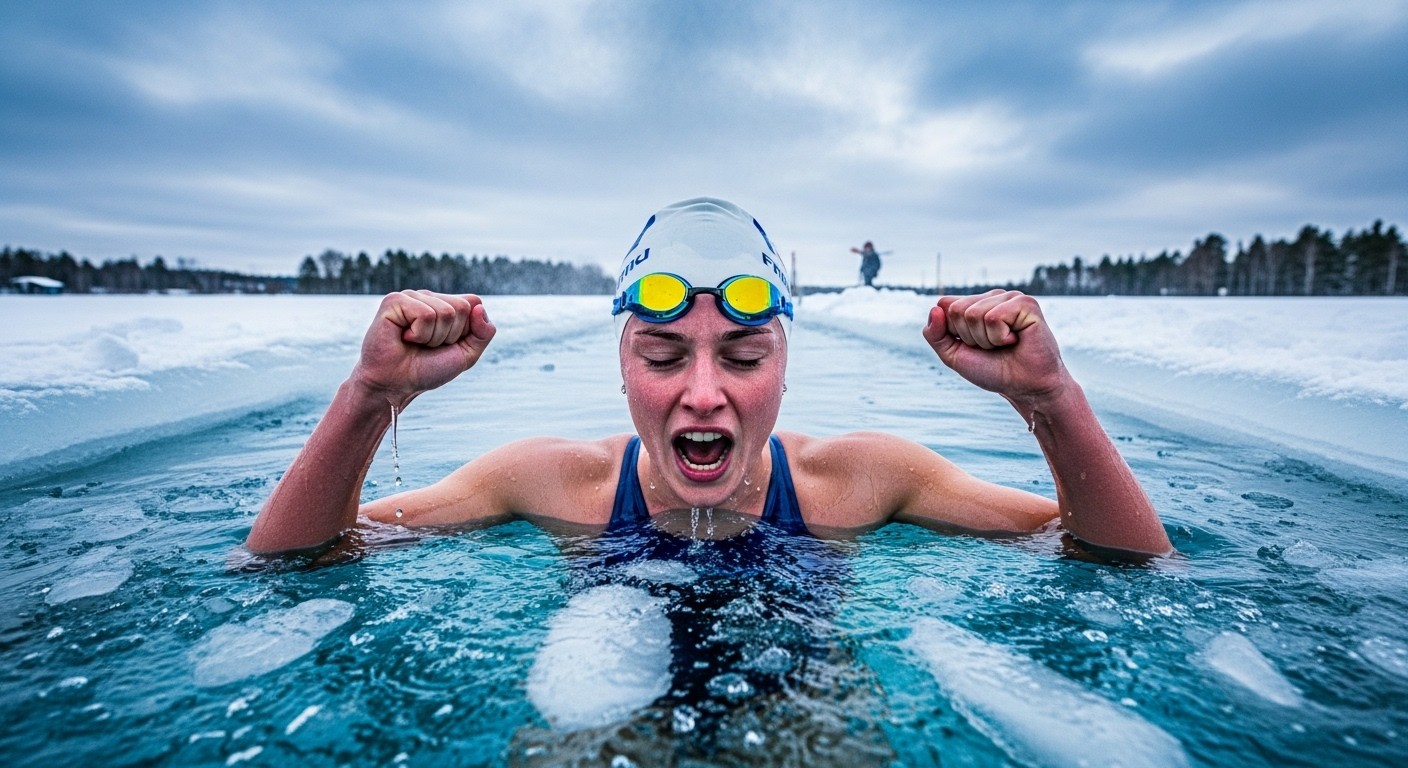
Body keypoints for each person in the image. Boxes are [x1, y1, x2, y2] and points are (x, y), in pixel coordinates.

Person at [247, 197, 1171, 558]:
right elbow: (291, 559)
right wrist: (370, 398)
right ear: (622, 367)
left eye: (742, 355)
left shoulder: (860, 480)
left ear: (784, 367)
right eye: (662, 356)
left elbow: (1122, 558)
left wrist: (1051, 402)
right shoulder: (548, 480)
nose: (701, 393)